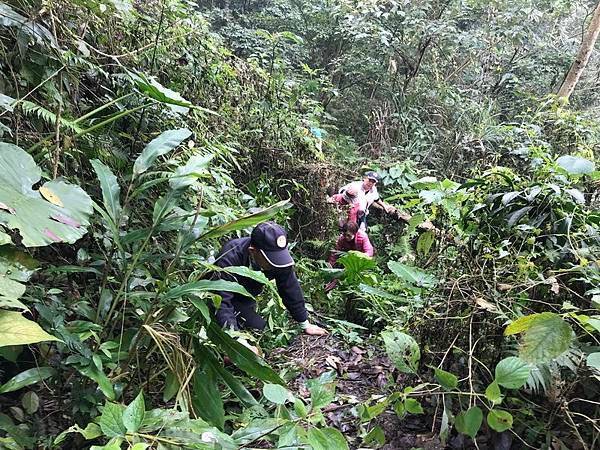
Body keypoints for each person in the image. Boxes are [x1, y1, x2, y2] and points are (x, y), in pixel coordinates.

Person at [212, 221, 327, 337]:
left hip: (247, 297)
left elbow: (290, 288)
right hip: (219, 297)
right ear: (253, 251)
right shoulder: (229, 258)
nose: (276, 264)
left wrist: (304, 323)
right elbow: (220, 301)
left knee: (259, 328)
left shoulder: (279, 259)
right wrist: (235, 340)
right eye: (270, 259)